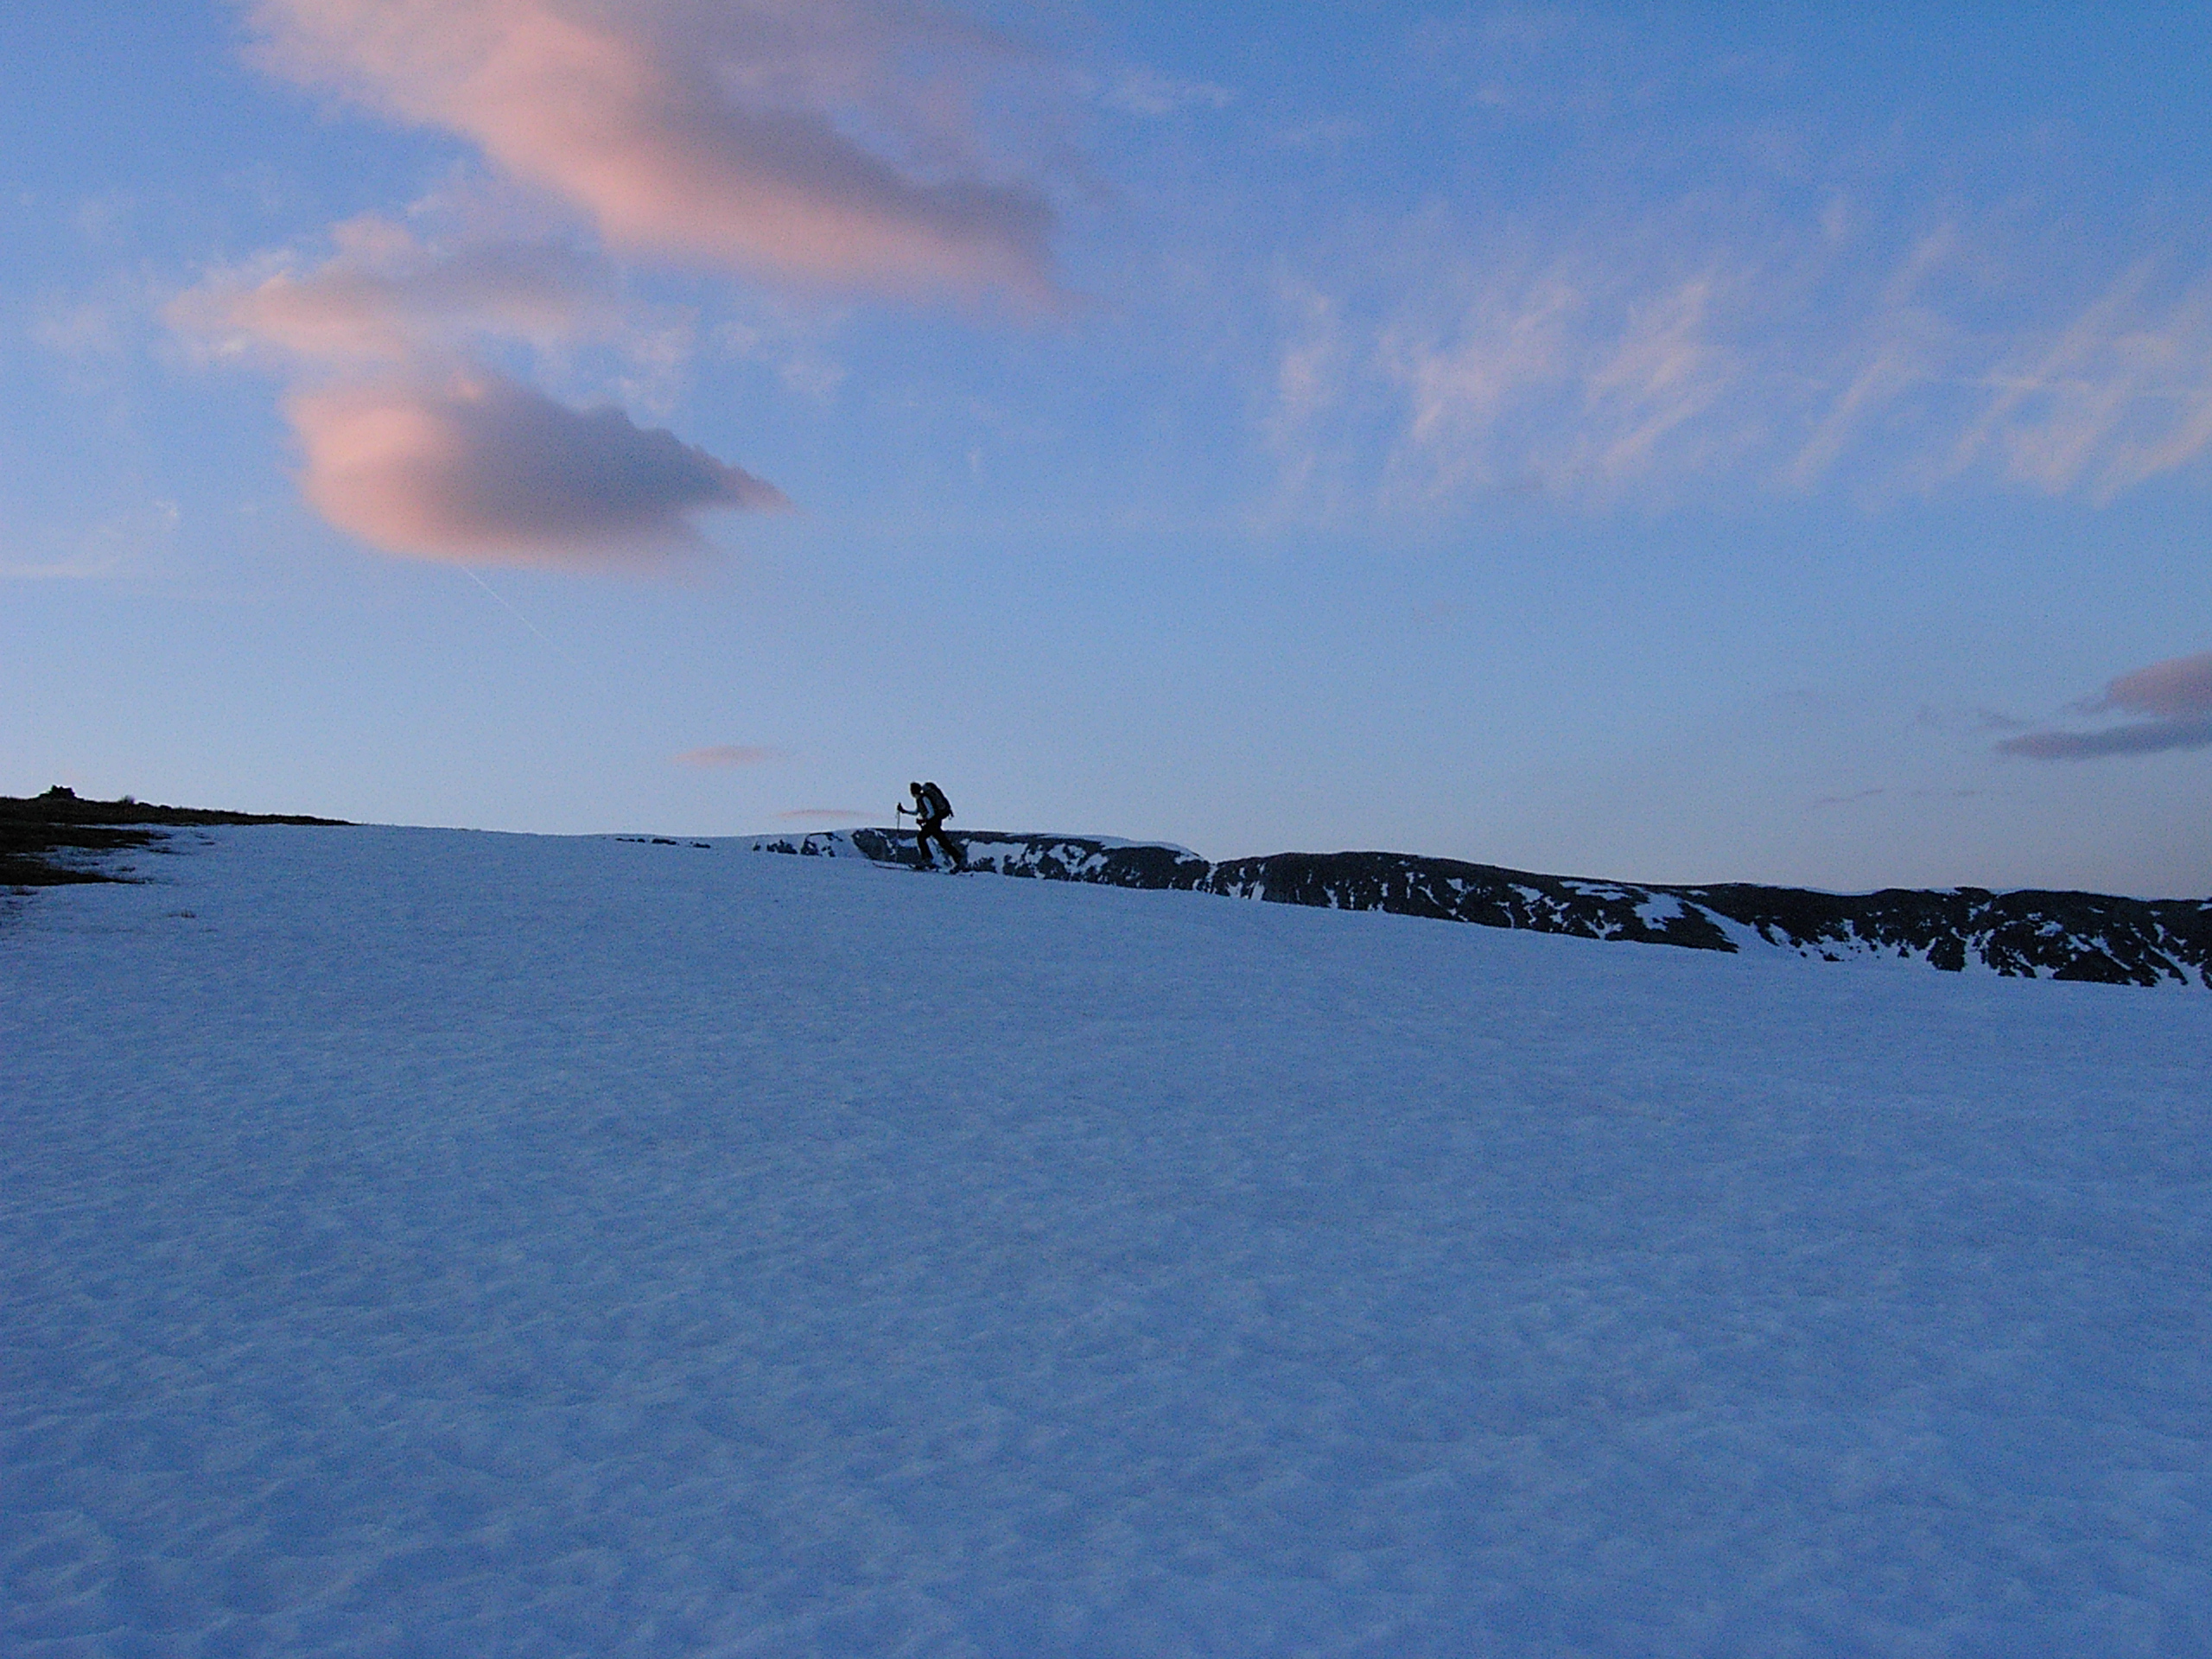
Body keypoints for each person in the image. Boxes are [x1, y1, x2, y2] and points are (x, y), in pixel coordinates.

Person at [901, 779, 964, 870]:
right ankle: (958, 859)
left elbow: (931, 813)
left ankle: (927, 860)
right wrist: (904, 811)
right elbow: (917, 812)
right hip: (934, 822)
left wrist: (923, 820)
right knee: (943, 842)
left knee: (921, 837)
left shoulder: (924, 798)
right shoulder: (920, 799)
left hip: (933, 822)